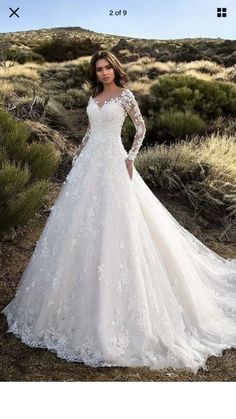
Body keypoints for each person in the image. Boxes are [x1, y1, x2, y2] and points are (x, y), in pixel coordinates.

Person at [1, 50, 236, 375]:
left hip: (115, 163)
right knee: (77, 227)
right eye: (98, 69)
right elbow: (89, 131)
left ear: (115, 68)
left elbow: (140, 128)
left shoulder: (125, 96)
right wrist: (78, 154)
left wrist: (131, 158)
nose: (103, 73)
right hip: (88, 165)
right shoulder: (94, 95)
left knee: (120, 224)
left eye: (107, 68)